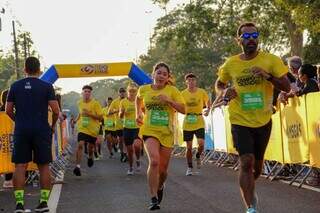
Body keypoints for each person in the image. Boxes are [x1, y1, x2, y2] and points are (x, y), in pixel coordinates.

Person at [215, 22, 290, 213]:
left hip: (263, 120)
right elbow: (219, 84)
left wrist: (268, 76)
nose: (251, 40)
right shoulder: (231, 63)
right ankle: (250, 208)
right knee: (246, 161)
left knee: (256, 168)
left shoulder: (271, 60)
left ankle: (250, 189)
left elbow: (287, 87)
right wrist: (225, 92)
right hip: (239, 119)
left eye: (254, 36)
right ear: (238, 40)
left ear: (258, 38)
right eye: (246, 37)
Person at [5, 56, 60, 213]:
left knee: (20, 166)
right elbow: (56, 110)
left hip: (22, 129)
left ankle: (19, 204)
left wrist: (19, 120)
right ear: (39, 69)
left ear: (24, 69)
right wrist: (53, 125)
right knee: (43, 165)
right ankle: (43, 203)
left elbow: (8, 110)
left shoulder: (15, 86)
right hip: (41, 129)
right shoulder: (47, 86)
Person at [136, 62, 185, 210]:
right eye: (159, 73)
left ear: (168, 77)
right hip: (149, 130)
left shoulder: (173, 90)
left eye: (165, 74)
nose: (161, 76)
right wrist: (138, 113)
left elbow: (183, 109)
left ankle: (160, 185)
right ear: (153, 75)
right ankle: (153, 198)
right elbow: (138, 99)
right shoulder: (144, 89)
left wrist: (169, 100)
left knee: (163, 171)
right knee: (155, 162)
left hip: (167, 132)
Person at [181, 73, 211, 176]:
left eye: (193, 80)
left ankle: (198, 155)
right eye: (189, 80)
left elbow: (207, 101)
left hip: (199, 120)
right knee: (188, 147)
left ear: (196, 81)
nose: (191, 82)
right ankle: (189, 167)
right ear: (186, 82)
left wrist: (207, 109)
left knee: (201, 143)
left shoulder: (201, 92)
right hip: (188, 121)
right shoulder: (183, 93)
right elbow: (179, 104)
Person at [73, 85, 103, 176]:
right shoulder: (79, 103)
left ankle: (90, 157)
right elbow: (80, 113)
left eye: (88, 92)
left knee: (90, 148)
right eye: (85, 91)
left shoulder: (95, 104)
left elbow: (100, 117)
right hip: (82, 128)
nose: (87, 93)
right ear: (82, 93)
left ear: (91, 93)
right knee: (80, 145)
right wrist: (75, 120)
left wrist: (89, 114)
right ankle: (77, 166)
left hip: (93, 130)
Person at [119, 83, 143, 175]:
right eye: (130, 91)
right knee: (129, 150)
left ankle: (137, 159)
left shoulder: (140, 101)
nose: (132, 93)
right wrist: (123, 112)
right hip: (127, 128)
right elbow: (120, 115)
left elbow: (144, 111)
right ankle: (131, 167)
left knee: (137, 146)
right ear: (127, 92)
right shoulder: (123, 102)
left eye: (134, 91)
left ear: (137, 92)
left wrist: (142, 116)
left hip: (137, 127)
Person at [108, 88, 127, 162]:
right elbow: (109, 112)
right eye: (121, 92)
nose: (122, 93)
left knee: (127, 140)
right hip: (118, 124)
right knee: (121, 140)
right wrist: (117, 111)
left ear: (125, 93)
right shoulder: (115, 102)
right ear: (118, 93)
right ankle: (122, 153)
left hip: (128, 124)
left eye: (123, 92)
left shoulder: (128, 100)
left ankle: (126, 153)